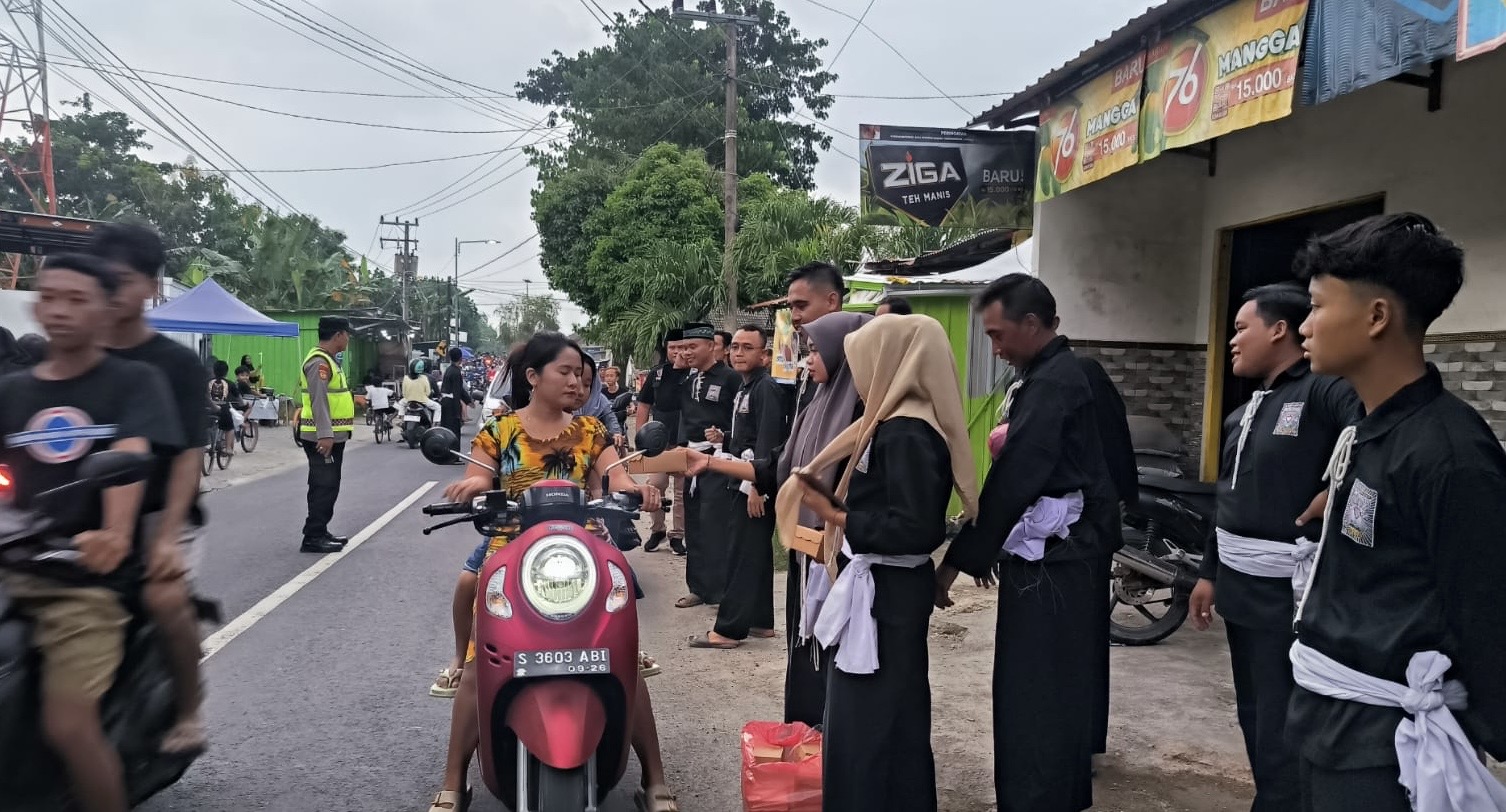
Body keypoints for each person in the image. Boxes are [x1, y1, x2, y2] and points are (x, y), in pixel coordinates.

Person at [1288, 213, 1506, 810]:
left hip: (1390, 751)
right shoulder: (1369, 428)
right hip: (1328, 721)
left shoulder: (1450, 455)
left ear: (1377, 316)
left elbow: (1485, 607)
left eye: (1316, 306)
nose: (1303, 327)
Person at [424, 332, 678, 812]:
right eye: (565, 372)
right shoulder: (498, 431)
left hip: (583, 548)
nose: (577, 382)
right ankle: (453, 781)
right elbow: (480, 474)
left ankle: (655, 777)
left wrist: (635, 489)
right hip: (511, 546)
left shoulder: (591, 431)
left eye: (581, 375)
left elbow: (616, 476)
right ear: (533, 377)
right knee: (481, 663)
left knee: (625, 662)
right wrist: (471, 487)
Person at [0, 253, 181, 812]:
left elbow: (129, 455)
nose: (59, 310)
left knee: (69, 721)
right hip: (13, 562)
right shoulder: (14, 390)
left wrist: (114, 532)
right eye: (49, 296)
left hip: (79, 579)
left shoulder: (133, 382)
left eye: (77, 299)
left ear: (105, 312)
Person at [936, 275, 1116, 812]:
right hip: (1064, 552)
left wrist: (957, 561)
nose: (994, 348)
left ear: (1032, 325)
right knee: (1051, 683)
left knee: (1036, 688)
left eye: (998, 335)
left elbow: (1017, 476)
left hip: (1058, 558)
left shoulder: (1057, 382)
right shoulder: (1046, 374)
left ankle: (1038, 798)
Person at [787, 314, 976, 812]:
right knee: (882, 719)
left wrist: (841, 517)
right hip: (883, 588)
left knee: (872, 723)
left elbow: (916, 527)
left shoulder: (908, 431)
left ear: (890, 361)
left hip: (887, 593)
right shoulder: (889, 421)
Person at [1183, 283, 1361, 812]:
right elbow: (1228, 502)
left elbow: (1377, 428)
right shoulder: (1245, 414)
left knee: (1287, 720)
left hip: (1291, 595)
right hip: (1240, 590)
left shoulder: (1324, 391)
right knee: (1255, 714)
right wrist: (1209, 573)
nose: (1232, 342)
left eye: (1241, 329)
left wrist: (1339, 488)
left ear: (1280, 330)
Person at [687, 311, 870, 728]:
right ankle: (806, 742)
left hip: (844, 558)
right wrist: (713, 464)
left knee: (834, 655)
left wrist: (831, 515)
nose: (807, 360)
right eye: (805, 350)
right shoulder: (818, 405)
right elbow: (779, 467)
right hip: (807, 549)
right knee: (804, 651)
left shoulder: (868, 417)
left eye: (816, 350)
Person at [92, 222, 214, 757]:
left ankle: (187, 710)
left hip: (161, 512)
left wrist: (165, 538)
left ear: (149, 285)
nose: (110, 291)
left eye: (121, 280)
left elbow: (188, 455)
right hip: (75, 514)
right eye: (103, 280)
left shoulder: (175, 363)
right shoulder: (73, 355)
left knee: (164, 596)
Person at [688, 325, 789, 648]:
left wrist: (757, 487)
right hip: (743, 477)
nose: (739, 353)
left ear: (764, 355)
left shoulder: (766, 388)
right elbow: (747, 436)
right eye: (734, 347)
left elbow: (768, 442)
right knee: (755, 553)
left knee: (740, 555)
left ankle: (728, 630)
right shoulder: (746, 387)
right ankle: (761, 622)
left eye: (748, 348)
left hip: (754, 485)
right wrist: (725, 439)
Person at [675, 322, 743, 609]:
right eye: (683, 347)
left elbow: (741, 421)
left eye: (693, 347)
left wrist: (725, 436)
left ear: (711, 346)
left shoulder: (730, 379)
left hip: (717, 460)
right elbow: (683, 419)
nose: (687, 352)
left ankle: (719, 590)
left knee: (714, 524)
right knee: (694, 526)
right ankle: (698, 587)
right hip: (691, 459)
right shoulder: (690, 381)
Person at [297, 317, 354, 554]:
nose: (348, 338)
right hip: (322, 439)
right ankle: (313, 536)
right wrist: (325, 434)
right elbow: (318, 400)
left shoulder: (329, 361)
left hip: (331, 437)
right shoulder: (319, 362)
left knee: (329, 485)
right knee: (323, 485)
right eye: (347, 334)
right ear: (338, 335)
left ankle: (320, 530)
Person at [636, 331, 688, 554]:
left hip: (684, 441)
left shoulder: (694, 374)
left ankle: (678, 535)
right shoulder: (657, 374)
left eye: (680, 348)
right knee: (654, 486)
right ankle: (657, 530)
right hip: (658, 443)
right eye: (672, 348)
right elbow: (644, 405)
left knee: (681, 493)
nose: (676, 352)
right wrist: (640, 437)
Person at [439, 346, 473, 458]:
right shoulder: (456, 372)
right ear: (461, 358)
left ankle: (445, 453)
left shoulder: (449, 370)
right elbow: (457, 391)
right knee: (454, 431)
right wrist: (458, 411)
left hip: (445, 402)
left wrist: (468, 401)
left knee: (446, 429)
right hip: (452, 404)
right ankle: (454, 456)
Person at [208, 360, 244, 456]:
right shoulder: (230, 383)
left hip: (206, 409)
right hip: (222, 410)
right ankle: (228, 448)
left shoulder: (207, 381)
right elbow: (240, 400)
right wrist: (243, 404)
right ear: (226, 372)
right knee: (230, 427)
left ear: (213, 371)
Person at [401, 359, 442, 425]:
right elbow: (428, 392)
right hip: (423, 401)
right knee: (438, 407)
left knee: (400, 404)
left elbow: (403, 393)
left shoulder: (406, 377)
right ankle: (434, 425)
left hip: (408, 400)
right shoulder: (425, 378)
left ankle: (402, 421)